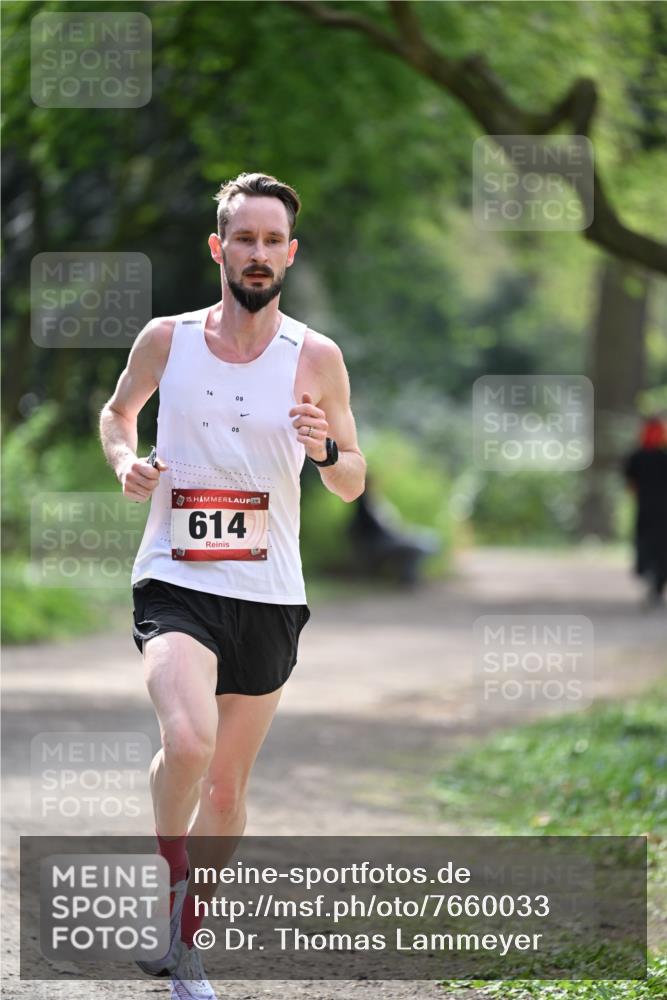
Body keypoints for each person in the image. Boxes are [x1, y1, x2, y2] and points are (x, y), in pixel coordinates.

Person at [99, 172, 366, 999]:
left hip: (270, 592)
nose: (257, 254)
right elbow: (117, 413)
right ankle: (174, 899)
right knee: (186, 741)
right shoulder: (165, 339)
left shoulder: (314, 357)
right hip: (174, 575)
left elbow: (354, 478)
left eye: (271, 241)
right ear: (219, 248)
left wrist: (324, 450)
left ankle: (186, 940)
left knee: (224, 785)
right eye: (242, 239)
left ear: (290, 252)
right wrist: (126, 463)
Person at [622, 416, 667, 607]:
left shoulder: (635, 457)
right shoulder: (664, 458)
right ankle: (657, 581)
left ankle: (650, 574)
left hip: (645, 508)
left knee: (645, 542)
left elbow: (630, 485)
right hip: (663, 511)